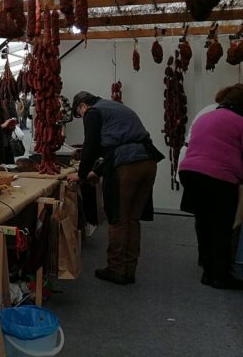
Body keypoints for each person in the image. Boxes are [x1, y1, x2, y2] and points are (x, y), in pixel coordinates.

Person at [67, 91, 163, 285]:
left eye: (79, 113)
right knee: (132, 219)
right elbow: (119, 146)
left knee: (118, 218)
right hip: (147, 162)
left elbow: (91, 146)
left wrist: (82, 174)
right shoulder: (116, 107)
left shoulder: (93, 112)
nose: (82, 116)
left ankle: (117, 269)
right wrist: (98, 172)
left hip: (127, 166)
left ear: (83, 106)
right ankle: (129, 269)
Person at [178, 84, 243, 289]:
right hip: (219, 177)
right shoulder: (240, 121)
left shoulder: (206, 116)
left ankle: (207, 270)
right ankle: (221, 275)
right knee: (222, 227)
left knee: (204, 222)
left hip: (190, 172)